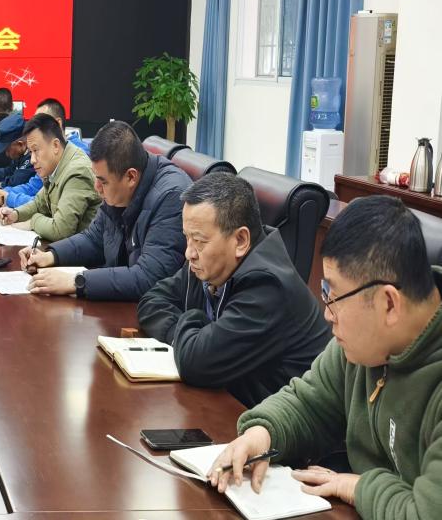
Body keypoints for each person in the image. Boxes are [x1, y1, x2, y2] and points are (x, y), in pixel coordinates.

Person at [208, 196, 442, 518]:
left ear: (389, 304)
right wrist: (260, 435)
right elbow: (309, 402)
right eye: (325, 293)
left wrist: (357, 487)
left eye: (335, 297)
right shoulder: (363, 347)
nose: (327, 314)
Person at [137, 172, 331, 407]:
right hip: (230, 403)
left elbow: (195, 364)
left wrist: (192, 327)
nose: (189, 253)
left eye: (199, 241)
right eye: (187, 238)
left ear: (240, 240)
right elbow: (152, 301)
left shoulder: (268, 286)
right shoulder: (209, 263)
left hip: (281, 421)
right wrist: (186, 338)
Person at [20, 121, 190, 300]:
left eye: (103, 181)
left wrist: (76, 282)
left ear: (131, 177)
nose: (97, 187)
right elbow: (94, 238)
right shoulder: (118, 185)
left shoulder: (170, 197)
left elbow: (150, 277)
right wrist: (51, 256)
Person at [0, 113, 100, 242]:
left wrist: (33, 221)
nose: (32, 160)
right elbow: (39, 203)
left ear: (55, 145)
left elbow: (60, 230)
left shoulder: (77, 172)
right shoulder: (56, 164)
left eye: (36, 150)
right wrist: (15, 214)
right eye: (30, 152)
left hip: (84, 253)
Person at [0, 99, 72, 208]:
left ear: (58, 124)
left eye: (40, 125)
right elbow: (34, 188)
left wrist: (8, 197)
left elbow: (52, 208)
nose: (32, 160)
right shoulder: (53, 154)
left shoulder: (76, 159)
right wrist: (3, 192)